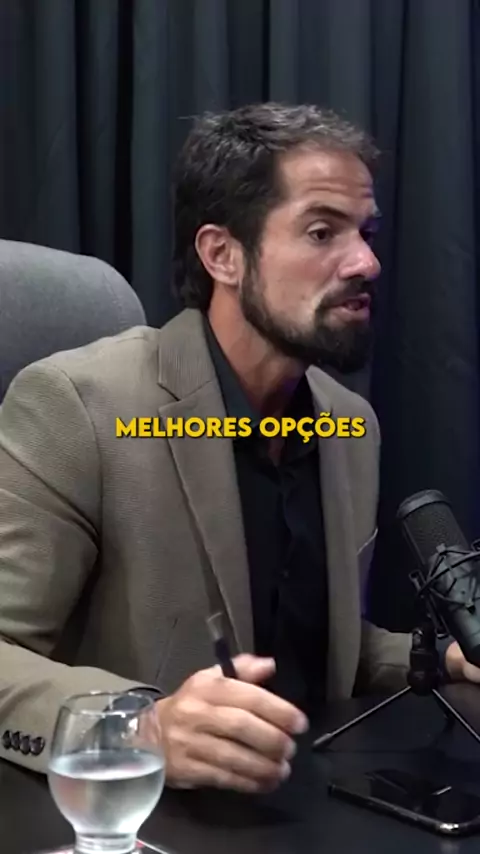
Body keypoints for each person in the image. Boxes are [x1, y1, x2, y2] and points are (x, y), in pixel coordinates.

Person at [0, 103, 477, 794]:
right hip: (147, 817)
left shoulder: (350, 425)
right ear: (222, 254)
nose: (367, 262)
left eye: (366, 233)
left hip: (317, 802)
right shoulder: (79, 405)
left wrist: (449, 657)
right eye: (322, 231)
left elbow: (318, 644)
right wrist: (139, 727)